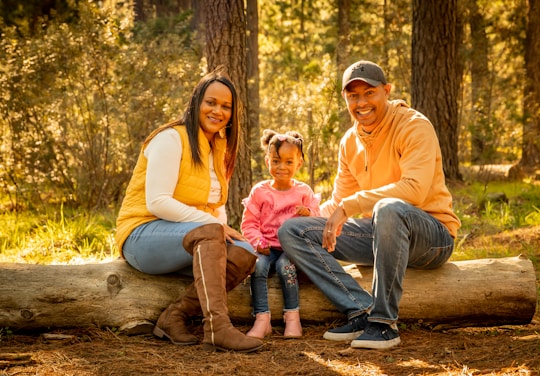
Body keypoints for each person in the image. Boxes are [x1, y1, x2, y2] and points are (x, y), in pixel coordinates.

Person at [278, 60, 461, 350]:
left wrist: (349, 206)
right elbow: (339, 202)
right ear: (345, 99)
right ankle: (360, 309)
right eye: (353, 96)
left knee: (388, 208)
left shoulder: (414, 125)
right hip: (381, 235)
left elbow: (414, 190)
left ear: (386, 91)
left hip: (432, 237)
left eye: (369, 93)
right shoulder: (350, 141)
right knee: (292, 231)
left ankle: (384, 324)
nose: (361, 102)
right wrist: (306, 214)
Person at [115, 67, 263, 353]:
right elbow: (157, 201)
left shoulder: (218, 147)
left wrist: (223, 231)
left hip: (188, 238)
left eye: (225, 106)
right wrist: (215, 228)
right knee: (211, 232)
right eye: (211, 102)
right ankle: (218, 328)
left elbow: (215, 207)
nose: (217, 110)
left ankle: (175, 315)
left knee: (245, 252)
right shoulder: (170, 139)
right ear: (197, 102)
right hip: (141, 236)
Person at [241, 130, 321, 339]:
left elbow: (317, 223)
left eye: (288, 162)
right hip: (266, 247)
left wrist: (309, 213)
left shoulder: (304, 192)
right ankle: (262, 319)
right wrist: (258, 242)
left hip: (291, 249)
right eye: (276, 161)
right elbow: (249, 224)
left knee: (286, 268)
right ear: (268, 162)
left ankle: (292, 318)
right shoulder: (260, 192)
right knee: (257, 266)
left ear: (299, 163)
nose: (282, 167)